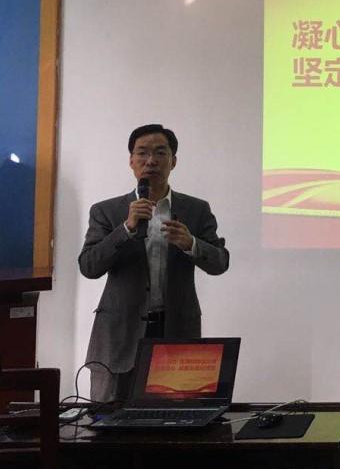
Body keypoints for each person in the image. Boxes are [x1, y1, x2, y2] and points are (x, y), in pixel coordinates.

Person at [78, 124, 229, 403]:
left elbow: (220, 262)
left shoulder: (196, 210)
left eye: (160, 152)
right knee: (108, 420)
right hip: (119, 336)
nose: (151, 161)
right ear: (131, 161)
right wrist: (126, 228)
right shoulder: (106, 211)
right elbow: (89, 266)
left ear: (173, 161)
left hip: (176, 330)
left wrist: (191, 243)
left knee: (175, 418)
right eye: (142, 153)